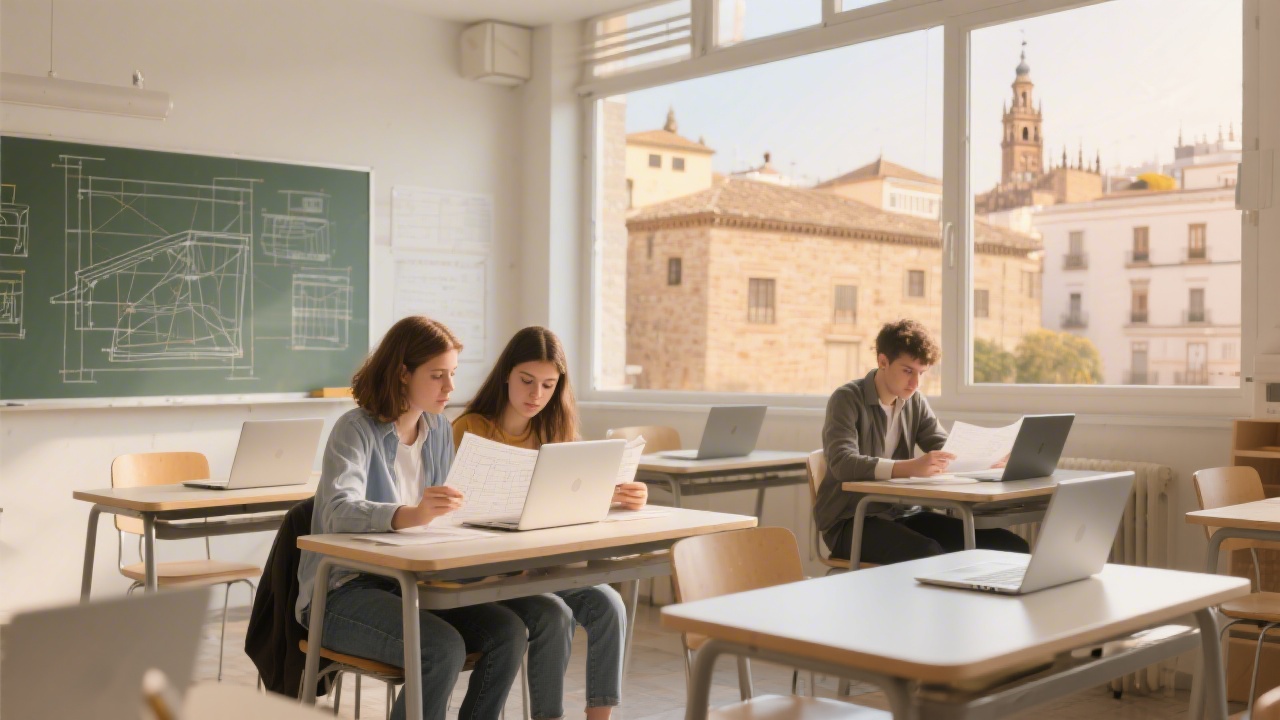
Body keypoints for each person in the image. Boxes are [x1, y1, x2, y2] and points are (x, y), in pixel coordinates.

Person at [296, 315, 570, 720]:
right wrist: (411, 514)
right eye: (438, 375)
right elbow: (337, 511)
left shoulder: (439, 430)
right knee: (441, 649)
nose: (450, 387)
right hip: (344, 592)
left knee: (509, 634)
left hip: (412, 585)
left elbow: (448, 519)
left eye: (453, 374)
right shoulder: (354, 429)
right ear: (403, 374)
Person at [453, 326, 645, 720]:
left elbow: (576, 501)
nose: (535, 395)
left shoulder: (555, 431)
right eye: (526, 381)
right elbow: (453, 514)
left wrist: (621, 498)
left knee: (610, 605)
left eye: (547, 385)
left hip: (544, 565)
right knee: (554, 616)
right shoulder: (469, 429)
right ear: (506, 373)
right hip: (492, 573)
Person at [813, 319, 1029, 565]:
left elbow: (945, 448)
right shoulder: (847, 399)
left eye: (921, 373)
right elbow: (843, 463)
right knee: (927, 554)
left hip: (903, 513)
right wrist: (909, 467)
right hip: (851, 521)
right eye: (908, 371)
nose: (915, 384)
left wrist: (985, 461)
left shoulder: (914, 401)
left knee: (1011, 546)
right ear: (882, 361)